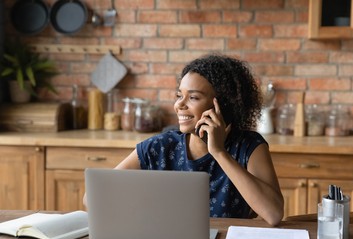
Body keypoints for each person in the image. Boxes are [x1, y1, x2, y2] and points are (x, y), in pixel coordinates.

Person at [88, 54, 284, 226]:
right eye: (179, 95)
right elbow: (92, 198)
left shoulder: (249, 146)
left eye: (193, 98)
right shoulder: (159, 147)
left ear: (222, 105)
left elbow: (273, 214)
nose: (179, 105)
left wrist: (219, 152)